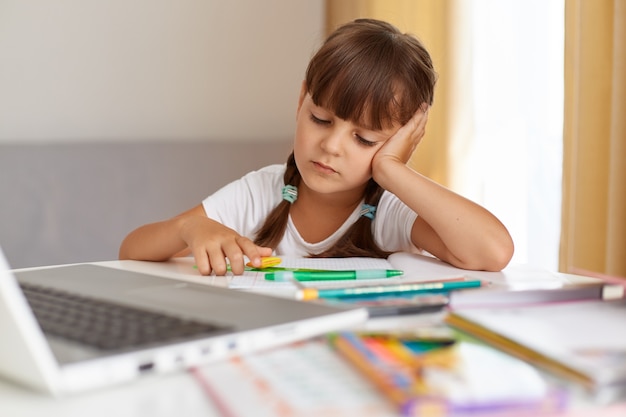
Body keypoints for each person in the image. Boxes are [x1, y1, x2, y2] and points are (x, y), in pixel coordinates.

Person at [119, 18, 514, 276]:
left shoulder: (389, 211)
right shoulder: (262, 193)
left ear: (397, 143)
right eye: (320, 119)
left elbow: (492, 252)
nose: (331, 145)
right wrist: (190, 227)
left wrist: (392, 170)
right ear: (301, 101)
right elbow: (131, 251)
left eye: (364, 139)